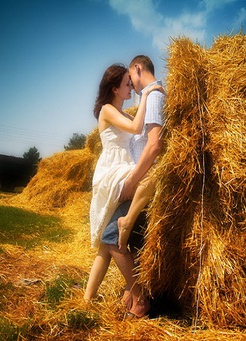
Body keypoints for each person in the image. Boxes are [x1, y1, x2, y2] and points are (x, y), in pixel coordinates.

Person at [84, 63, 162, 318]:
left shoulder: (124, 113)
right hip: (114, 174)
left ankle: (86, 300)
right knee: (111, 239)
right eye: (127, 84)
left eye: (132, 83)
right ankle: (137, 293)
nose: (131, 87)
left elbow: (138, 128)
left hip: (123, 170)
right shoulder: (107, 110)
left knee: (105, 247)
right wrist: (148, 94)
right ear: (114, 87)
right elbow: (137, 128)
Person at [117, 55, 165, 255]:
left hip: (144, 187)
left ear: (137, 68)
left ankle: (136, 288)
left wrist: (130, 182)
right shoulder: (151, 97)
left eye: (130, 77)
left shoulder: (153, 96)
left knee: (138, 249)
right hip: (143, 185)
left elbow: (154, 145)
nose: (131, 84)